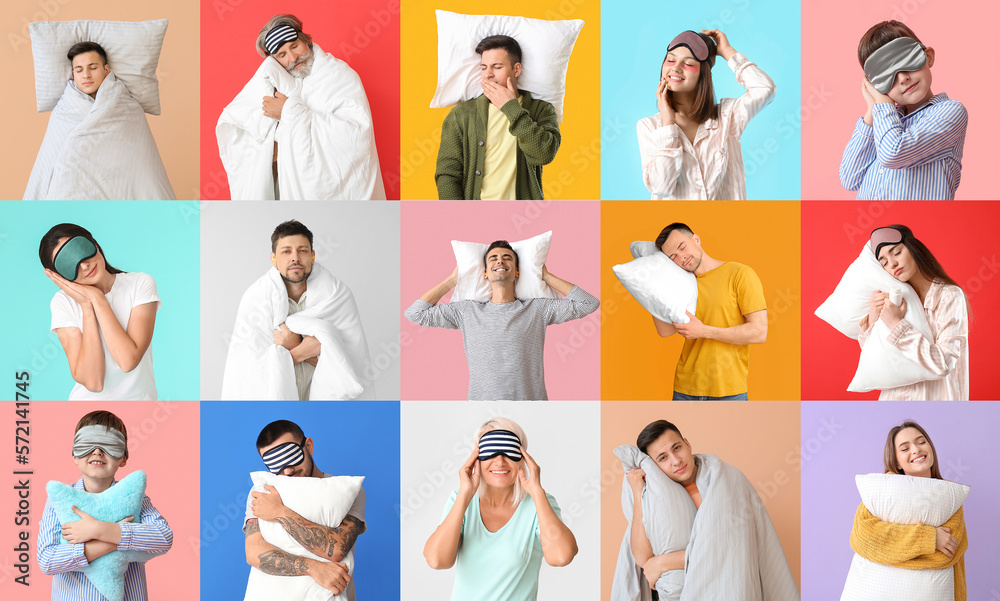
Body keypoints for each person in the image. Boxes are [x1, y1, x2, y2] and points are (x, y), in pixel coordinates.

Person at [622, 419, 798, 598]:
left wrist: (663, 562)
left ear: (687, 444)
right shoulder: (654, 499)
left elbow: (731, 547)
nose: (676, 461)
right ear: (654, 467)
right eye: (663, 458)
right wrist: (638, 493)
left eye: (677, 448)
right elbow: (643, 560)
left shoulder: (727, 480)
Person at [217, 14, 385, 200]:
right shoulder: (283, 87)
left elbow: (356, 137)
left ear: (306, 41)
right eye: (282, 55)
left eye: (295, 46)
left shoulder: (339, 75)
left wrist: (287, 111)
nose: (293, 57)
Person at [404, 241, 599, 400]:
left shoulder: (537, 309)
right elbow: (415, 313)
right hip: (480, 407)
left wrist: (545, 276)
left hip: (531, 405)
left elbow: (588, 303)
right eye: (493, 258)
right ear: (485, 273)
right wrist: (452, 280)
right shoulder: (467, 311)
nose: (500, 261)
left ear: (517, 271)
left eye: (507, 258)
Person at [423, 418, 577, 600]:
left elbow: (561, 556)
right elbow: (437, 560)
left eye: (509, 451)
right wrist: (464, 495)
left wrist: (537, 492)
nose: (500, 461)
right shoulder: (461, 501)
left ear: (522, 457)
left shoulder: (540, 503)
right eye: (490, 452)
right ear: (476, 457)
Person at [221, 220, 374, 400]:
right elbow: (248, 375)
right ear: (273, 258)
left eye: (302, 250)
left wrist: (292, 348)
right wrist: (303, 351)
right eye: (286, 251)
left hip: (328, 408)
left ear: (313, 256)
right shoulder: (256, 299)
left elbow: (349, 373)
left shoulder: (337, 296)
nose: (295, 257)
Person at [37, 410, 173, 599]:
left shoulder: (135, 498)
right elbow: (47, 560)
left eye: (109, 444)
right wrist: (110, 543)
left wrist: (98, 529)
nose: (97, 451)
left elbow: (164, 538)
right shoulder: (58, 500)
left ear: (123, 458)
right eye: (88, 444)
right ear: (75, 455)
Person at [24, 42, 176, 200]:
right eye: (79, 69)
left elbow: (141, 165)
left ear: (106, 70)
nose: (86, 75)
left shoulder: (129, 109)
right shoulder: (62, 113)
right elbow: (47, 164)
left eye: (93, 67)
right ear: (73, 74)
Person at [637, 29, 775, 200]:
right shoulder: (648, 126)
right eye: (671, 60)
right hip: (679, 226)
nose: (676, 68)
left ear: (703, 73)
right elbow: (661, 186)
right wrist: (668, 122)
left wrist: (727, 51)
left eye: (688, 63)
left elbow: (765, 88)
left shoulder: (727, 116)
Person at [840, 21, 968, 200]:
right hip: (870, 226)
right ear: (875, 85)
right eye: (886, 75)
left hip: (919, 225)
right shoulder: (884, 121)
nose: (903, 78)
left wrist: (883, 103)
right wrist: (872, 109)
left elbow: (893, 153)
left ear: (928, 57)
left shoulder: (951, 112)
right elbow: (849, 179)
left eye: (906, 61)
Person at [244, 419, 366, 600]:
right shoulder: (262, 492)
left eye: (290, 456)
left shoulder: (345, 490)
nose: (286, 471)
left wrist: (279, 512)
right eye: (275, 463)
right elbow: (254, 552)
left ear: (308, 446)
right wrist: (314, 568)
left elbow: (336, 549)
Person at [39, 224, 160, 400]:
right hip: (89, 416)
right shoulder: (63, 303)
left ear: (93, 243)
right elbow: (93, 382)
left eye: (80, 250)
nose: (85, 266)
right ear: (60, 276)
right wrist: (87, 306)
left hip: (142, 409)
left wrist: (97, 298)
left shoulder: (140, 284)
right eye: (69, 264)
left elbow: (128, 360)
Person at [848, 421, 967, 599]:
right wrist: (930, 538)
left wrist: (891, 551)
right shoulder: (881, 492)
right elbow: (863, 538)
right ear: (897, 463)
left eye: (921, 442)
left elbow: (946, 555)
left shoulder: (949, 496)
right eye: (905, 448)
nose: (916, 449)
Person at [435, 35, 560, 200]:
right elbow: (447, 173)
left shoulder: (541, 110)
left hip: (522, 217)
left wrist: (511, 108)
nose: (488, 75)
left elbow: (544, 154)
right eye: (483, 67)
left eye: (497, 67)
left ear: (516, 69)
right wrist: (458, 216)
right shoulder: (462, 114)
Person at [651, 223, 766, 400]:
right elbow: (665, 331)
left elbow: (759, 332)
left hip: (728, 390)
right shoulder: (680, 286)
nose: (682, 257)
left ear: (696, 239)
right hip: (685, 389)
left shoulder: (739, 274)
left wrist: (704, 330)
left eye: (682, 247)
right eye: (673, 256)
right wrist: (652, 288)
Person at [860, 225, 969, 400]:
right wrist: (874, 318)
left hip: (935, 399)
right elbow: (875, 358)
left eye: (896, 252)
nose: (893, 263)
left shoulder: (949, 296)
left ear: (913, 249)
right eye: (885, 263)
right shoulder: (894, 301)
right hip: (892, 399)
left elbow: (943, 363)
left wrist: (896, 325)